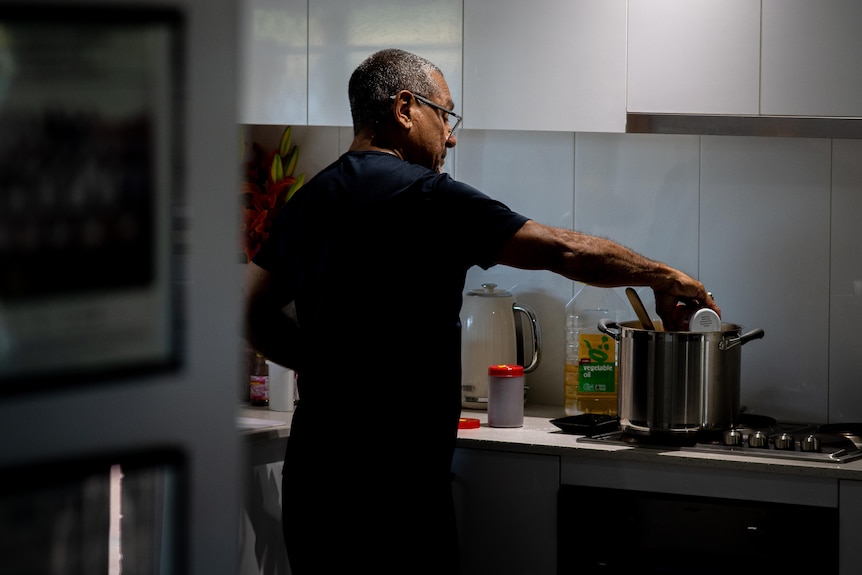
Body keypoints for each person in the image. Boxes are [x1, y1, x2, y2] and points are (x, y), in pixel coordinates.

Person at [244, 48, 719, 574]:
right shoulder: (429, 198)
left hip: (316, 479)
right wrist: (667, 276)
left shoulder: (309, 202)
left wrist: (326, 368)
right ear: (405, 108)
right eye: (445, 115)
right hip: (398, 487)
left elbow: (251, 313)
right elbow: (562, 250)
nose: (450, 136)